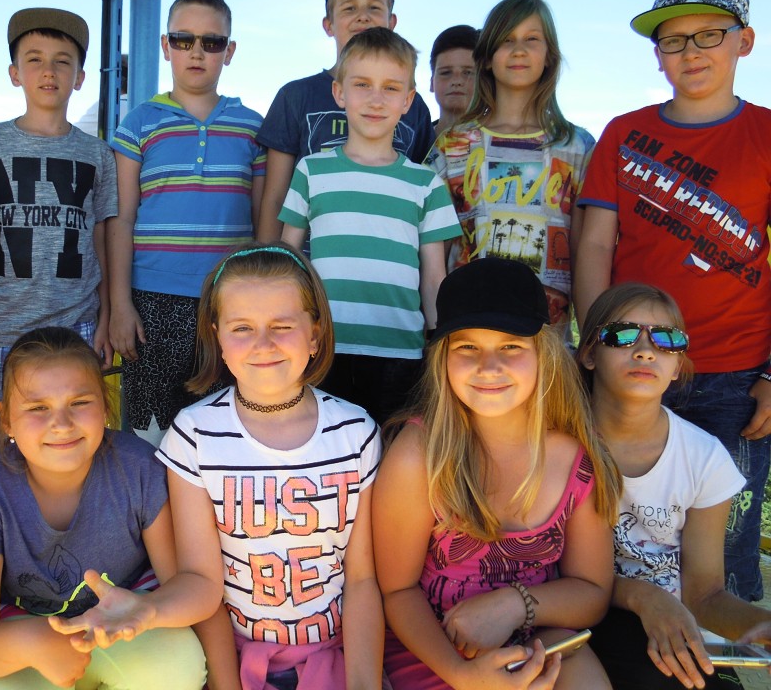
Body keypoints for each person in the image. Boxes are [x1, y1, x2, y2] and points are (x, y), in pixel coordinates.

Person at [573, 0, 771, 602]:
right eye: (673, 40)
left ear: (744, 41)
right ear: (657, 55)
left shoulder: (766, 134)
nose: (690, 52)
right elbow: (595, 245)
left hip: (734, 374)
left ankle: (725, 644)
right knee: (608, 521)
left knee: (726, 543)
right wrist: (598, 346)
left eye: (708, 35)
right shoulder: (624, 133)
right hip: (632, 359)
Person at [373, 257, 621, 690]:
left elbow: (593, 592)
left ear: (543, 353)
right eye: (467, 347)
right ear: (442, 358)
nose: (489, 366)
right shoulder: (418, 455)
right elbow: (396, 591)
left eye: (510, 347)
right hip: (433, 650)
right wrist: (462, 675)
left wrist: (513, 605)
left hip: (538, 637)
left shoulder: (576, 461)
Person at [0, 326, 219, 690]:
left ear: (105, 405)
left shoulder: (138, 469)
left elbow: (192, 585)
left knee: (175, 666)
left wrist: (147, 611)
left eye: (80, 403)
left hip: (127, 624)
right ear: (6, 419)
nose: (61, 423)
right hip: (22, 628)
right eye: (38, 407)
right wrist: (30, 642)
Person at [156, 243, 383, 690]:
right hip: (233, 660)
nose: (263, 344)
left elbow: (362, 581)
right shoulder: (194, 435)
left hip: (335, 657)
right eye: (242, 328)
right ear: (218, 338)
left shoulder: (356, 432)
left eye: (282, 326)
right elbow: (204, 585)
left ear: (315, 334)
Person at [577, 283, 771, 690]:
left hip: (667, 633)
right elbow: (543, 568)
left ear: (679, 365)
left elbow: (705, 595)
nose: (646, 351)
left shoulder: (704, 458)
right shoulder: (558, 442)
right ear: (590, 353)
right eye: (622, 334)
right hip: (575, 617)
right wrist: (642, 596)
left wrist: (762, 625)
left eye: (667, 339)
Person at [279, 27, 460, 424]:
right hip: (322, 349)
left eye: (391, 88)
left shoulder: (427, 183)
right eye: (362, 84)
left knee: (392, 453)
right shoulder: (310, 171)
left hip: (400, 354)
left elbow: (434, 277)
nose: (376, 99)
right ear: (339, 93)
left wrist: (439, 343)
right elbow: (288, 262)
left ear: (408, 100)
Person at [109, 0, 266, 442]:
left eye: (212, 42)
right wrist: (120, 305)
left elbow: (262, 222)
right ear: (166, 46)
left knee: (223, 435)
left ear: (229, 51)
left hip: (228, 303)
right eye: (183, 39)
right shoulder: (139, 124)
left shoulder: (253, 127)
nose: (196, 51)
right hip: (150, 303)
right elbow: (121, 219)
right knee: (149, 437)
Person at [0, 7, 117, 428]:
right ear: (15, 73)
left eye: (63, 61)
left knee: (70, 435)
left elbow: (101, 239)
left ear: (80, 77)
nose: (49, 71)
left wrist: (105, 317)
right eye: (35, 60)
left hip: (76, 327)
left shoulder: (97, 154)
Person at [431, 0, 594, 333]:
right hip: (467, 331)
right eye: (506, 40)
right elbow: (435, 248)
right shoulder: (453, 144)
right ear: (487, 58)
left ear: (549, 56)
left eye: (531, 39)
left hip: (550, 338)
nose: (519, 50)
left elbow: (586, 253)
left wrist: (591, 338)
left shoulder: (578, 147)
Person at [255, 0, 436, 243]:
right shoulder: (295, 97)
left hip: (389, 262)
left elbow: (423, 197)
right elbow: (275, 199)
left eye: (374, 8)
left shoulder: (413, 106)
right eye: (349, 8)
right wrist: (268, 264)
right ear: (329, 24)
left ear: (392, 22)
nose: (362, 17)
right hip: (307, 263)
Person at [429, 24, 479, 132]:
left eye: (468, 72)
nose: (456, 81)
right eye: (446, 72)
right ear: (432, 83)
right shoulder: (410, 141)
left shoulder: (500, 141)